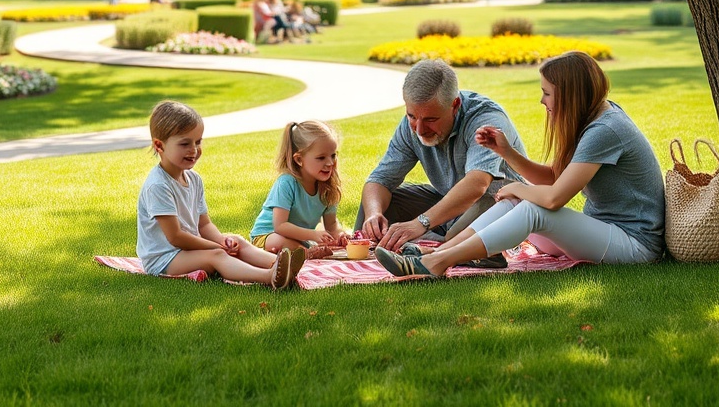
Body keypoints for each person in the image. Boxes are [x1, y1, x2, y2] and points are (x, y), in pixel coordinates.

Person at [375, 51, 666, 277]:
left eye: (547, 92)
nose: (542, 100)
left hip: (634, 245)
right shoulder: (594, 119)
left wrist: (516, 186)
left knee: (531, 207)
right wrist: (507, 152)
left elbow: (553, 198)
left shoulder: (606, 129)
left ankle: (437, 263)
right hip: (602, 231)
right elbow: (553, 177)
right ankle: (435, 254)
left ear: (570, 95)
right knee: (517, 203)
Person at [356, 58, 527, 265]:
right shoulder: (414, 124)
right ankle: (369, 255)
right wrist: (373, 215)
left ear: (455, 105)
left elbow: (477, 184)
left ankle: (449, 251)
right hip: (450, 205)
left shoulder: (485, 119)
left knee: (464, 225)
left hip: (501, 204)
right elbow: (380, 179)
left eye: (430, 120)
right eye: (411, 116)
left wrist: (421, 223)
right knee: (380, 205)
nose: (419, 129)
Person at [137, 100, 305, 288]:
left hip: (186, 250)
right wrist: (216, 247)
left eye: (198, 142)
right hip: (164, 259)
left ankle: (280, 265)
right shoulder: (158, 185)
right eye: (185, 143)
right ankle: (270, 277)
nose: (194, 150)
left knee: (236, 241)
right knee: (217, 255)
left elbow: (204, 224)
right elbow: (175, 237)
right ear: (159, 146)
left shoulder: (194, 179)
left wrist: (221, 240)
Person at [250, 120, 350, 260]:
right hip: (267, 236)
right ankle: (305, 254)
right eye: (321, 158)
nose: (329, 163)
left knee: (307, 246)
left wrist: (340, 235)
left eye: (333, 155)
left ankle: (301, 254)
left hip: (299, 240)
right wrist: (312, 234)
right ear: (299, 160)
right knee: (279, 242)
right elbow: (280, 226)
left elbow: (331, 225)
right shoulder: (287, 183)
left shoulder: (328, 188)